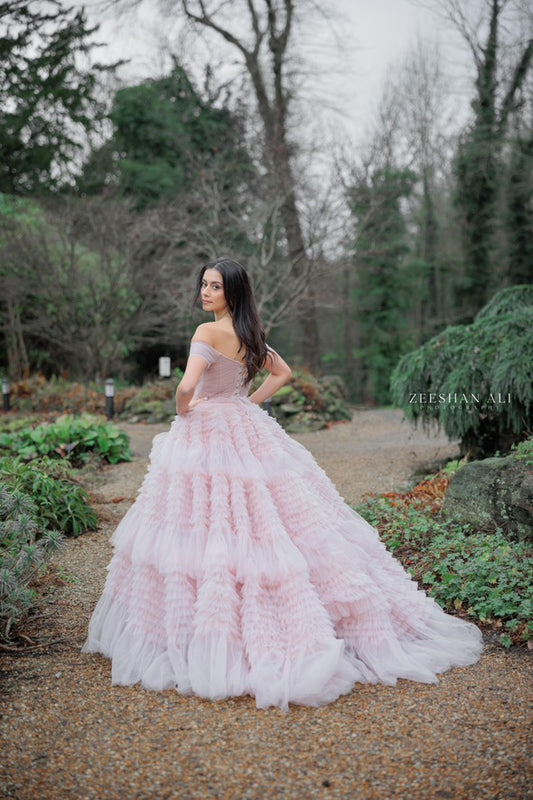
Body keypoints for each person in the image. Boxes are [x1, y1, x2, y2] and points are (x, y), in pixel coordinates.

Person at [83, 257, 483, 712]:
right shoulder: (252, 333)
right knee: (269, 515)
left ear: (232, 292)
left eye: (214, 286)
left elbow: (186, 387)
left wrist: (184, 410)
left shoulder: (206, 333)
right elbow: (284, 373)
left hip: (209, 427)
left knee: (205, 520)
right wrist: (247, 402)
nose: (205, 292)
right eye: (204, 284)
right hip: (245, 423)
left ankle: (206, 635)